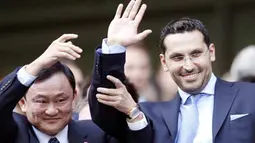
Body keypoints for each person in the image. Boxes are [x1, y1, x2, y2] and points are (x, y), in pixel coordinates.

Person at [88, 0, 255, 143]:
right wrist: (114, 47)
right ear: (164, 62)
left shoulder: (249, 96)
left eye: (195, 54)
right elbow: (105, 115)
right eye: (177, 57)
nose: (188, 65)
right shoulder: (148, 115)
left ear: (211, 52)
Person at [0, 34, 118, 143]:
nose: (52, 111)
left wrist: (114, 48)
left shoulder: (97, 134)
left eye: (60, 100)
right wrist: (37, 64)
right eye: (42, 101)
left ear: (73, 97)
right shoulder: (12, 133)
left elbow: (108, 100)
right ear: (22, 103)